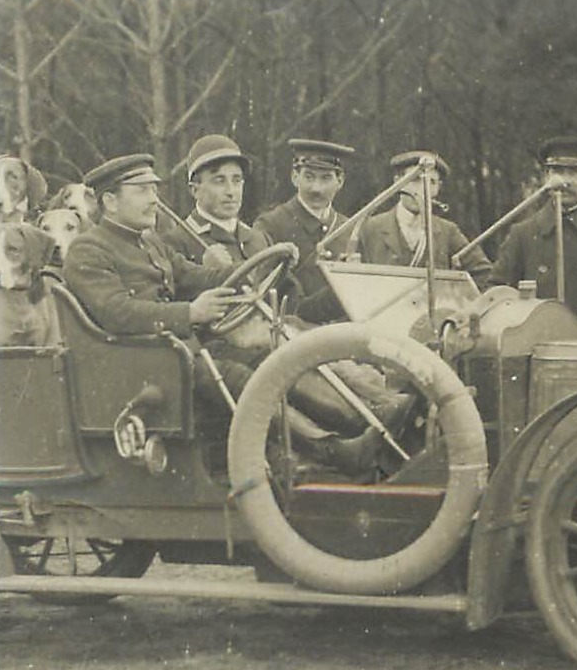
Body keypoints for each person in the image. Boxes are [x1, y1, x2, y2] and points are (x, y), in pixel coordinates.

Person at [64, 152, 381, 472]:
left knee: (271, 359)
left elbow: (196, 276)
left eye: (155, 190)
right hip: (145, 360)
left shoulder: (150, 242)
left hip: (180, 351)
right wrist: (190, 312)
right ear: (110, 201)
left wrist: (262, 262)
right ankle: (333, 451)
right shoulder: (89, 249)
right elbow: (117, 312)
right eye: (142, 191)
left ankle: (362, 423)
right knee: (240, 377)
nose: (154, 201)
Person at [490, 135, 577, 332]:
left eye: (574, 172)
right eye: (557, 171)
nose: (564, 181)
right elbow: (498, 293)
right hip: (536, 345)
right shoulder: (522, 234)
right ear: (546, 178)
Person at [353, 151, 492, 287]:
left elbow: (484, 275)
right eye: (415, 180)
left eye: (431, 182)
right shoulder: (370, 228)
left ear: (438, 188)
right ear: (397, 182)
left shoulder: (448, 231)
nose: (422, 188)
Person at [255, 138, 355, 323]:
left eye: (326, 178)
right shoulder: (270, 225)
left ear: (340, 181)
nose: (316, 188)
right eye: (309, 177)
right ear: (295, 177)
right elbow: (283, 304)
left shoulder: (351, 229)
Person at [163, 134, 272, 265]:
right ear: (195, 190)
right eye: (219, 181)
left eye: (236, 180)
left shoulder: (258, 239)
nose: (231, 191)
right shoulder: (175, 244)